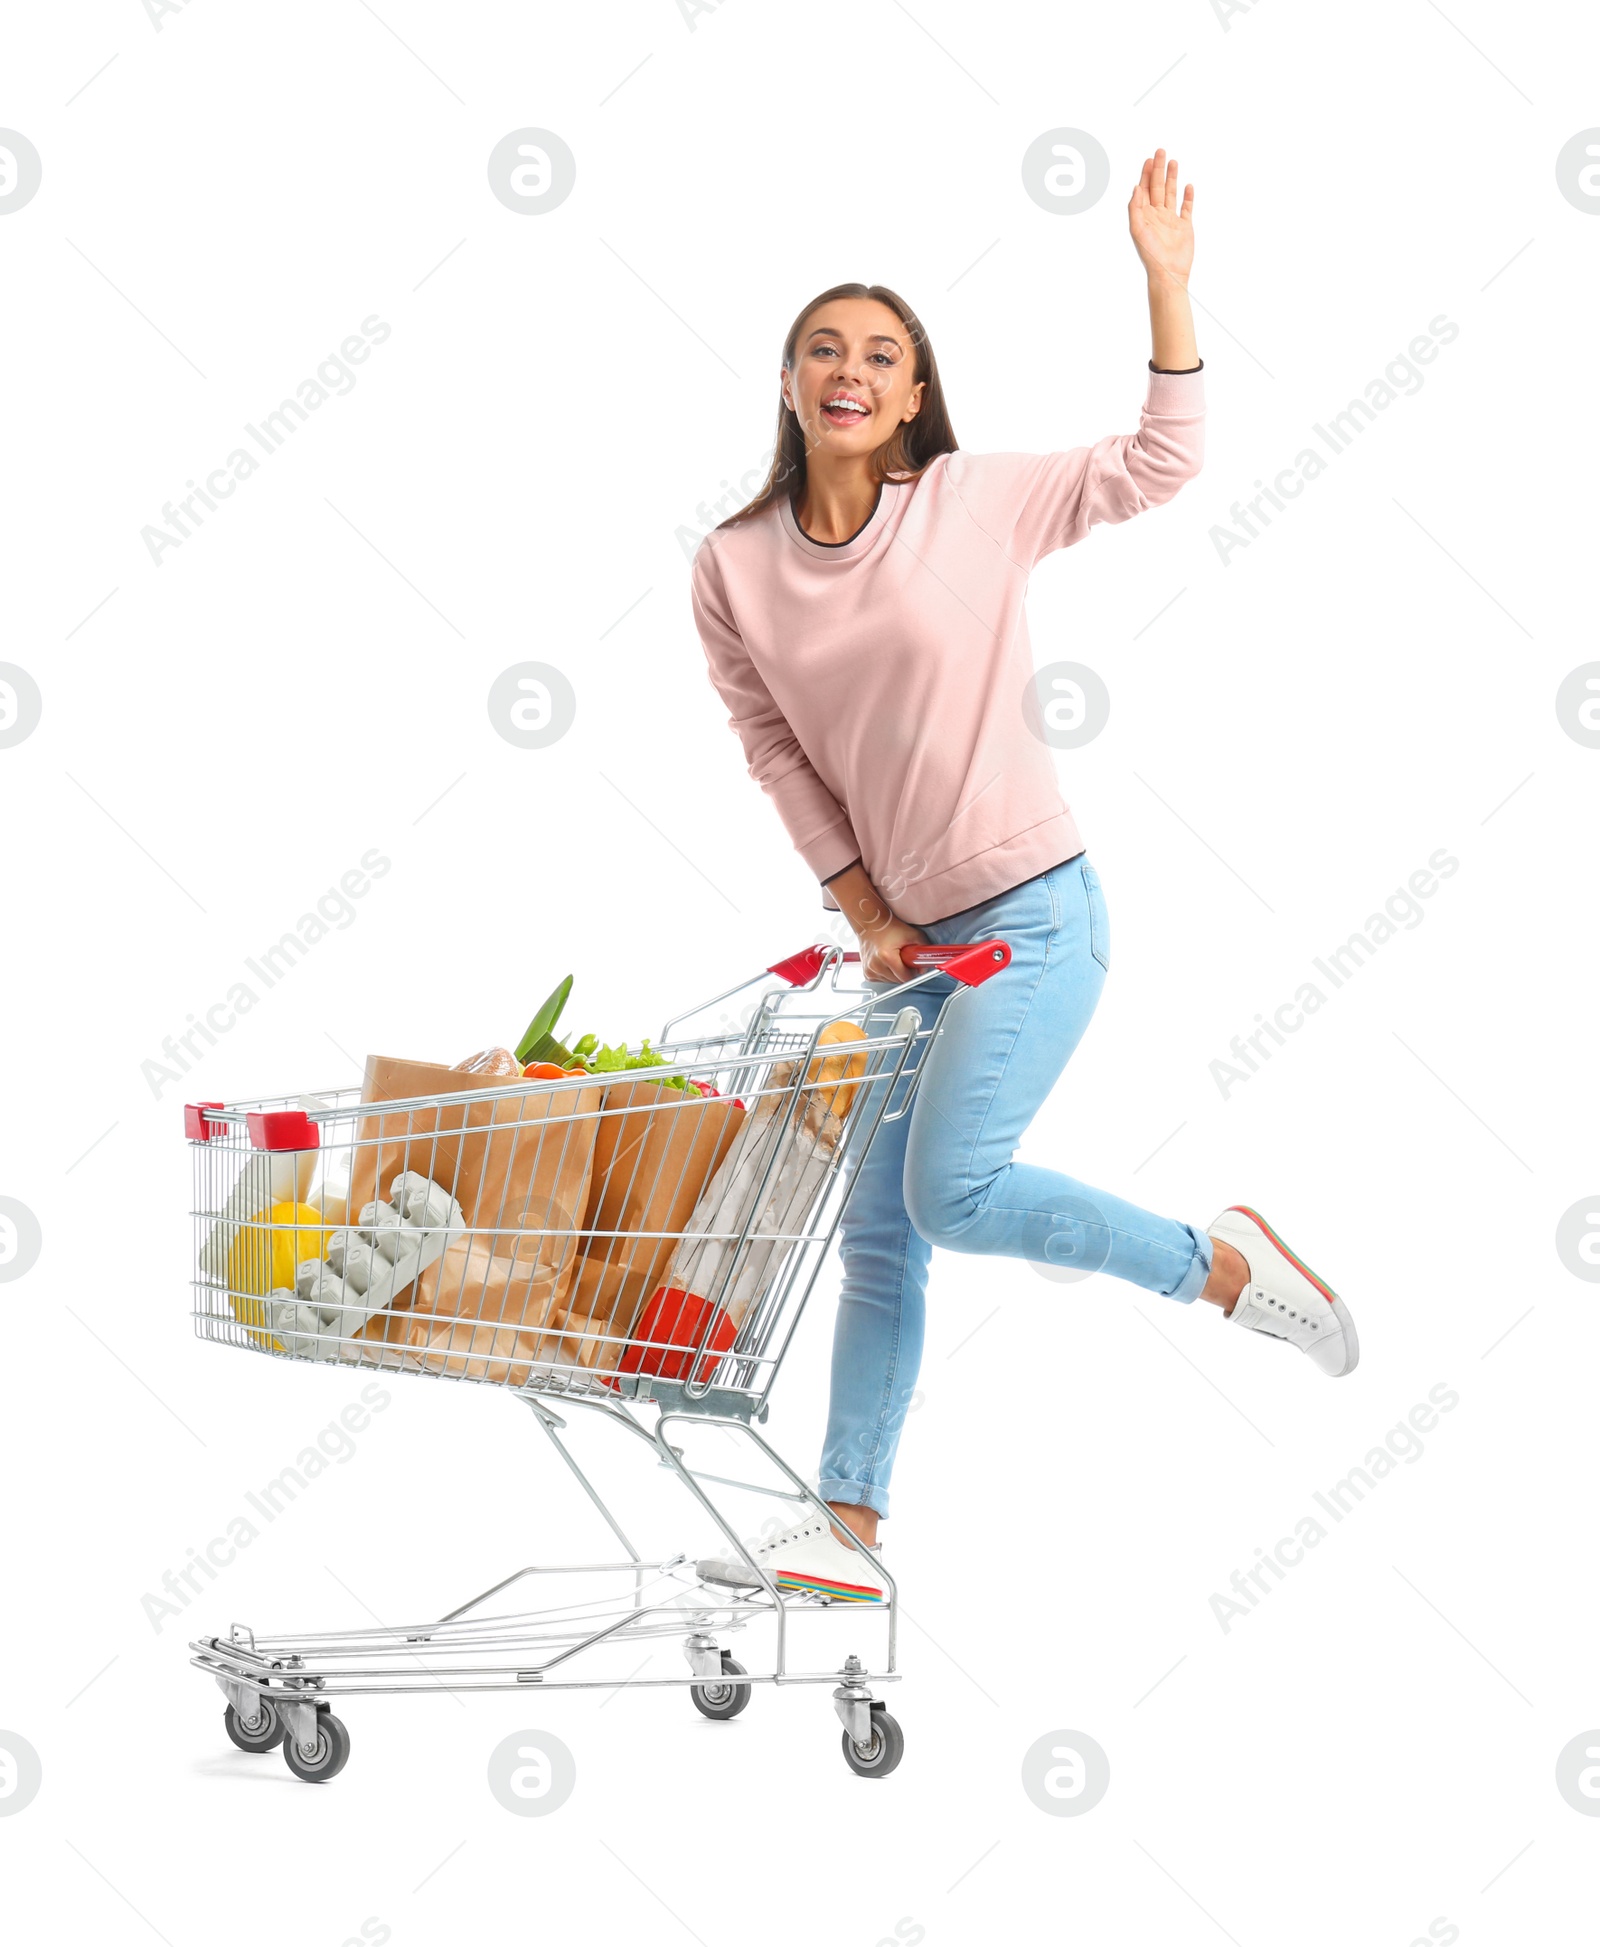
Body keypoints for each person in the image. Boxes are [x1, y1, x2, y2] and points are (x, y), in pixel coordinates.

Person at [688, 152, 1357, 1605]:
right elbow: (772, 745)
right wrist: (864, 913)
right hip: (907, 946)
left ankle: (1222, 1266)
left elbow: (1159, 466)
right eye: (826, 349)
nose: (851, 371)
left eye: (883, 354)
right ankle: (848, 1529)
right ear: (791, 383)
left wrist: (1167, 287)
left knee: (948, 1196)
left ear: (915, 395)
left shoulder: (970, 505)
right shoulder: (732, 564)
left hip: (1036, 914)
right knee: (878, 1231)